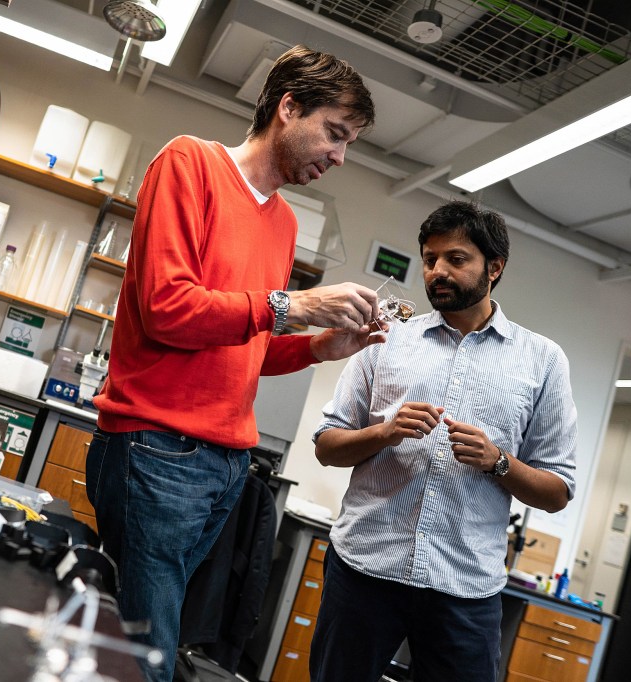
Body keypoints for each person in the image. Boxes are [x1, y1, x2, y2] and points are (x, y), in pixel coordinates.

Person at [87, 45, 383, 682]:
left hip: (224, 463)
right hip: (156, 448)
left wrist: (317, 345)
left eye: (349, 143)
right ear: (288, 106)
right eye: (334, 134)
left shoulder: (280, 223)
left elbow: (244, 345)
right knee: (150, 656)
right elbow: (168, 308)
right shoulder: (189, 163)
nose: (338, 157)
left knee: (137, 638)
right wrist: (290, 304)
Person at [310, 201, 578, 682]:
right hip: (365, 571)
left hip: (466, 589)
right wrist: (384, 432)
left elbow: (557, 491)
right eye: (430, 259)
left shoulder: (543, 361)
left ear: (494, 268)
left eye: (456, 259)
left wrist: (499, 462)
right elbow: (327, 445)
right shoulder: (384, 340)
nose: (437, 272)